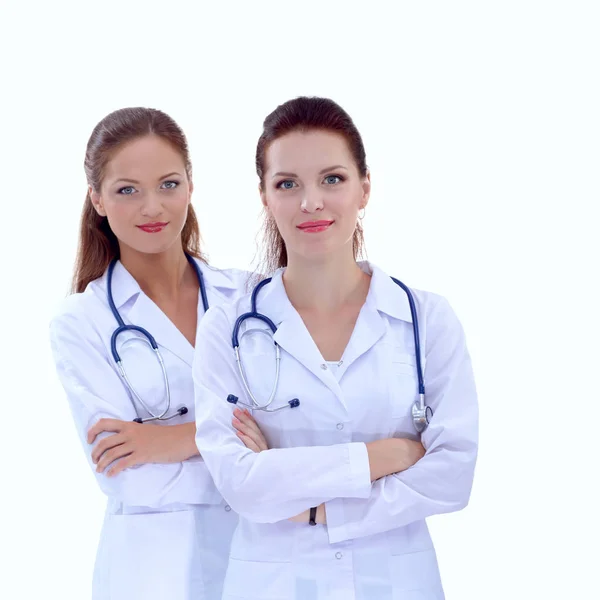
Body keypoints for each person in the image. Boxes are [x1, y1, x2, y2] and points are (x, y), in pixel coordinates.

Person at [193, 96, 479, 600]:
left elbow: (452, 476)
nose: (311, 202)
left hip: (396, 584)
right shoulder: (227, 328)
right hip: (273, 583)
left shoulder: (427, 320)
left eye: (332, 179)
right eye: (287, 184)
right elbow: (239, 484)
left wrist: (311, 507)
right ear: (264, 196)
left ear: (365, 188)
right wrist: (386, 455)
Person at [50, 107, 254, 600]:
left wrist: (168, 441)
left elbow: (301, 432)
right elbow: (131, 479)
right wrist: (242, 444)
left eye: (168, 184)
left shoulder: (250, 299)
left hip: (261, 557)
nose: (152, 208)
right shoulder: (82, 322)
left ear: (190, 186)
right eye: (127, 190)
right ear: (97, 199)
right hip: (151, 575)